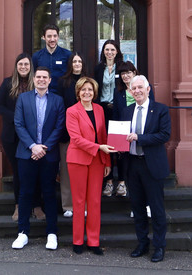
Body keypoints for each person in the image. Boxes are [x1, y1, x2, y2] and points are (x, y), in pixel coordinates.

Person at [12, 67, 65, 250]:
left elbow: (59, 127)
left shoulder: (58, 101)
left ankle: (51, 233)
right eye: (39, 77)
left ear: (50, 80)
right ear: (34, 79)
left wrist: (44, 147)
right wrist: (33, 146)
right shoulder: (23, 98)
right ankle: (23, 233)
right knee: (25, 193)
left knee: (49, 194)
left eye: (45, 77)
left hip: (48, 155)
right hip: (27, 154)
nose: (41, 80)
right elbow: (18, 124)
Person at [121, 75, 171, 262]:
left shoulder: (160, 110)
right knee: (138, 208)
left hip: (152, 165)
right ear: (130, 91)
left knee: (157, 209)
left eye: (140, 87)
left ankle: (159, 247)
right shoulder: (127, 111)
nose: (137, 91)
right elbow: (122, 136)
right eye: (134, 89)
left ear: (148, 89)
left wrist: (139, 138)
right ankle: (142, 243)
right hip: (133, 164)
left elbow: (164, 135)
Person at [66, 77, 115, 255]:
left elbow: (103, 136)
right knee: (79, 202)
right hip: (78, 159)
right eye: (83, 90)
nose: (87, 93)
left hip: (97, 161)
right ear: (78, 92)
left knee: (94, 201)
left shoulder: (100, 109)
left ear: (94, 93)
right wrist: (98, 148)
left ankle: (93, 242)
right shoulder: (72, 111)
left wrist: (107, 161)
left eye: (90, 90)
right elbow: (76, 139)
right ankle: (78, 241)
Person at [0, 52, 43, 222]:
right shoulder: (8, 83)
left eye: (26, 65)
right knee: (18, 172)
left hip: (33, 136)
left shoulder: (36, 84)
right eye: (20, 64)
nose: (23, 67)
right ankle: (19, 206)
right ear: (16, 66)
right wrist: (16, 119)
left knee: (36, 170)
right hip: (12, 137)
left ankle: (37, 205)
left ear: (31, 67)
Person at [113, 61, 155, 217]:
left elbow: (152, 113)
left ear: (134, 72)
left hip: (145, 140)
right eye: (123, 73)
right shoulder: (119, 94)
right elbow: (117, 117)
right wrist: (116, 141)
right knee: (132, 176)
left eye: (128, 72)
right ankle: (136, 206)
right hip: (126, 140)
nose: (126, 76)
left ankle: (149, 205)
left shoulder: (145, 89)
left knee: (148, 177)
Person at [56, 52, 87, 218]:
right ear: (70, 64)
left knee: (84, 171)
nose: (77, 64)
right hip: (67, 133)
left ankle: (84, 204)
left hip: (86, 133)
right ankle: (68, 205)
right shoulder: (63, 82)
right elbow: (60, 107)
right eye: (74, 61)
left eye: (79, 61)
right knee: (67, 171)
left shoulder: (88, 81)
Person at [94, 39, 123, 197]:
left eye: (112, 49)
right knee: (106, 144)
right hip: (103, 109)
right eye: (107, 49)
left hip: (118, 110)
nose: (109, 52)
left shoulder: (123, 67)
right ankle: (109, 181)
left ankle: (122, 182)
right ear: (103, 52)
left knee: (119, 145)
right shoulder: (99, 68)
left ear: (117, 51)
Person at [32, 24, 71, 94]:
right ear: (44, 37)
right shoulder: (36, 56)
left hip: (63, 95)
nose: (52, 39)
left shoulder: (67, 55)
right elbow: (33, 76)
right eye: (49, 36)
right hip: (43, 95)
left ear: (58, 37)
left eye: (55, 36)